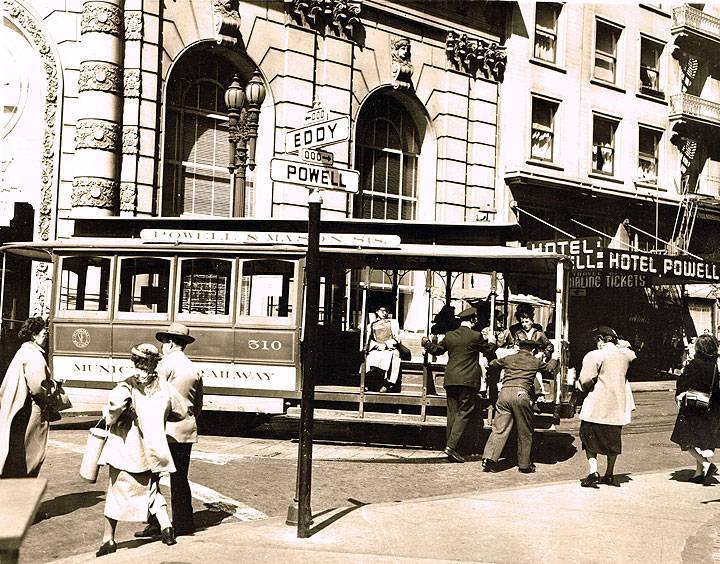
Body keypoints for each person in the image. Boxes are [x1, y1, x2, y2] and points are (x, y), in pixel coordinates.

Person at [96, 343, 186, 557]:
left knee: (116, 492)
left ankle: (108, 539)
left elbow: (114, 407)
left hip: (129, 449)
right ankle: (167, 528)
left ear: (134, 360)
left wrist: (111, 417)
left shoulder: (128, 384)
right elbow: (181, 411)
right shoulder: (163, 386)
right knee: (152, 490)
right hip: (154, 451)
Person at [135, 323, 203, 539]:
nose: (162, 346)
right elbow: (198, 405)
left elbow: (154, 395)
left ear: (171, 343)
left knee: (153, 475)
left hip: (164, 431)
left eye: (164, 342)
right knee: (180, 478)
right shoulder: (194, 368)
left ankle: (156, 522)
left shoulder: (164, 366)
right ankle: (184, 523)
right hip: (186, 429)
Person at [422, 307, 496, 463]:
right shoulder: (475, 336)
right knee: (464, 412)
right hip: (468, 381)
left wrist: (427, 344)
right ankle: (451, 447)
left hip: (450, 380)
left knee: (452, 414)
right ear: (473, 320)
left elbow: (436, 351)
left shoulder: (450, 336)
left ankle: (451, 447)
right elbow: (489, 350)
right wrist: (493, 342)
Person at [481, 340, 559, 473]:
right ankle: (524, 464)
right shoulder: (534, 361)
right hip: (521, 394)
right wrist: (555, 359)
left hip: (504, 394)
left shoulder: (509, 358)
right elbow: (549, 368)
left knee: (499, 429)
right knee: (525, 430)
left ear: (519, 348)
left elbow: (493, 364)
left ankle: (489, 458)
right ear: (533, 350)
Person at [578, 326, 636, 488]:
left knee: (589, 439)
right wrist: (617, 342)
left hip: (596, 405)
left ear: (600, 340)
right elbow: (630, 349)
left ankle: (593, 471)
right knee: (612, 442)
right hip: (616, 406)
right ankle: (609, 474)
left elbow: (586, 380)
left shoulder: (595, 355)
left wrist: (583, 387)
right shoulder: (624, 356)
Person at [0, 317, 52, 478]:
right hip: (30, 409)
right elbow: (38, 387)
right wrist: (51, 395)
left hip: (16, 407)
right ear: (33, 336)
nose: (46, 337)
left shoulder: (22, 352)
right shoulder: (34, 356)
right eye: (44, 334)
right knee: (31, 452)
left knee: (15, 450)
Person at [670, 333, 720, 485]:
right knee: (700, 439)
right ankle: (698, 474)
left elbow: (683, 381)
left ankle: (705, 464)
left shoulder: (695, 363)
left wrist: (679, 392)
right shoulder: (714, 365)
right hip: (709, 407)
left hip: (693, 407)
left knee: (684, 438)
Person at [365, 305, 402, 393]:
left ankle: (388, 383)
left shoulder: (393, 323)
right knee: (371, 357)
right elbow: (369, 340)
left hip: (389, 347)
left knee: (392, 356)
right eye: (382, 311)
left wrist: (385, 344)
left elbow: (397, 339)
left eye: (386, 311)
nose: (384, 313)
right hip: (377, 347)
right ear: (377, 311)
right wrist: (376, 345)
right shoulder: (371, 325)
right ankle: (368, 382)